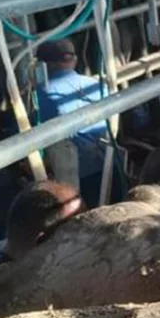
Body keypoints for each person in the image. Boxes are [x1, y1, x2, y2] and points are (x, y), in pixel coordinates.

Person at [34, 38, 112, 208]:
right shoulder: (95, 85)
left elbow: (26, 132)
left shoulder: (41, 94)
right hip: (109, 164)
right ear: (74, 60)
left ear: (43, 66)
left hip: (74, 176)